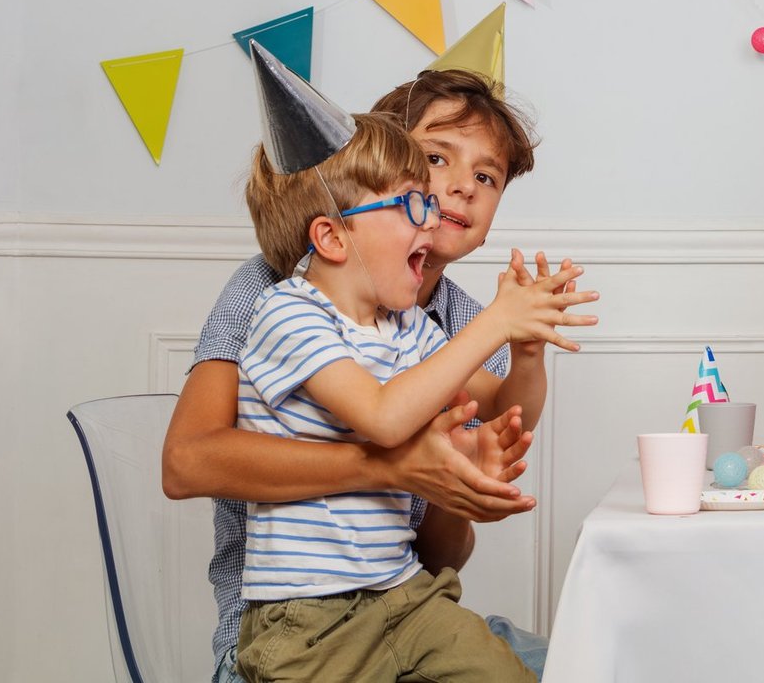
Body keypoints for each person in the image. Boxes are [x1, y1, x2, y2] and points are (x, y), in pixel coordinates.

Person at [162, 69, 592, 682]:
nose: (458, 190)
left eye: (486, 177)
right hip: (292, 629)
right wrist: (386, 465)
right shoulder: (273, 289)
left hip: (401, 603)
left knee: (586, 664)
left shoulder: (450, 324)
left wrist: (521, 356)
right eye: (434, 161)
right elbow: (185, 463)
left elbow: (452, 533)